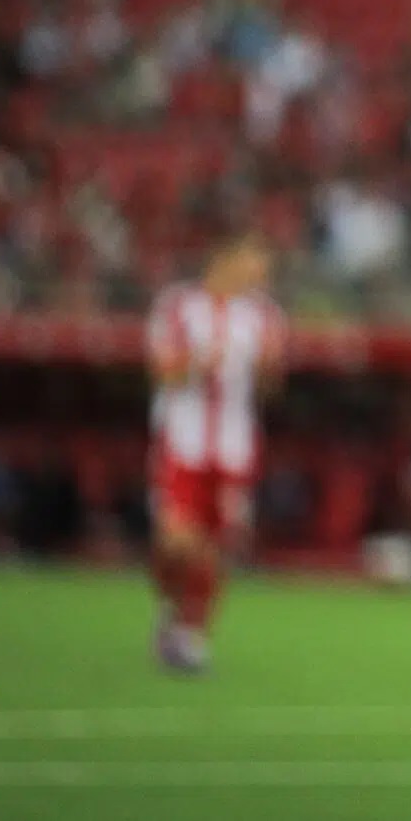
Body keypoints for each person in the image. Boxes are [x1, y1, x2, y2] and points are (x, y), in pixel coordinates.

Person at [144, 228, 286, 674]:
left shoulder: (264, 317)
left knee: (211, 547)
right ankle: (171, 607)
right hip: (182, 441)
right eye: (254, 262)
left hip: (234, 449)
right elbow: (162, 373)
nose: (261, 273)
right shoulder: (178, 307)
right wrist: (195, 363)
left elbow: (269, 388)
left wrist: (267, 368)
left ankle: (191, 636)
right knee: (174, 543)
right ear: (225, 259)